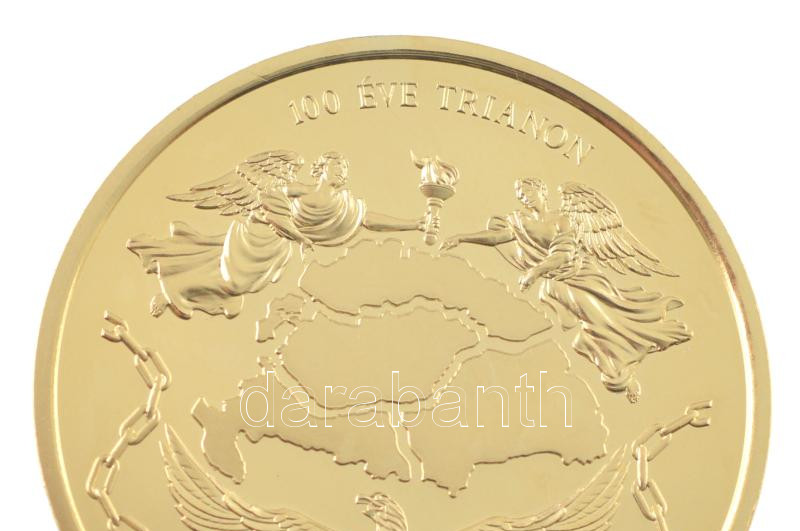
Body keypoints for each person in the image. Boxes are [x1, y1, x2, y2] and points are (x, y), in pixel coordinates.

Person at [441, 177, 691, 401]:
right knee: (593, 324)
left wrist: (534, 272)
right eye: (520, 195)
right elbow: (498, 237)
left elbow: (563, 253)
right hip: (557, 285)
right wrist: (462, 237)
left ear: (542, 191)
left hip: (580, 275)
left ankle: (628, 360)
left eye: (528, 191)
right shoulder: (521, 221)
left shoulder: (563, 219)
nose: (524, 197)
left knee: (603, 318)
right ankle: (617, 373)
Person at [128, 151, 425, 319]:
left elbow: (367, 221)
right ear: (322, 169)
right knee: (232, 280)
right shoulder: (298, 189)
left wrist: (414, 224)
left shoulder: (343, 204)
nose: (342, 171)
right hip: (257, 236)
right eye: (337, 166)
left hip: (276, 250)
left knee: (225, 277)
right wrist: (300, 236)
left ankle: (186, 288)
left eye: (345, 168)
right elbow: (271, 207)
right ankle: (173, 292)